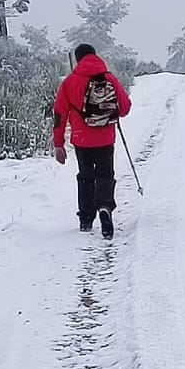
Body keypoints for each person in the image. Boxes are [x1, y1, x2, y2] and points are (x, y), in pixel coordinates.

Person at [53, 43, 133, 239]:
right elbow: (125, 108)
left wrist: (58, 144)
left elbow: (59, 114)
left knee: (86, 176)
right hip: (105, 138)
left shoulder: (70, 82)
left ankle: (86, 219)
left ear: (78, 59)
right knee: (105, 174)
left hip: (81, 139)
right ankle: (105, 207)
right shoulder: (109, 78)